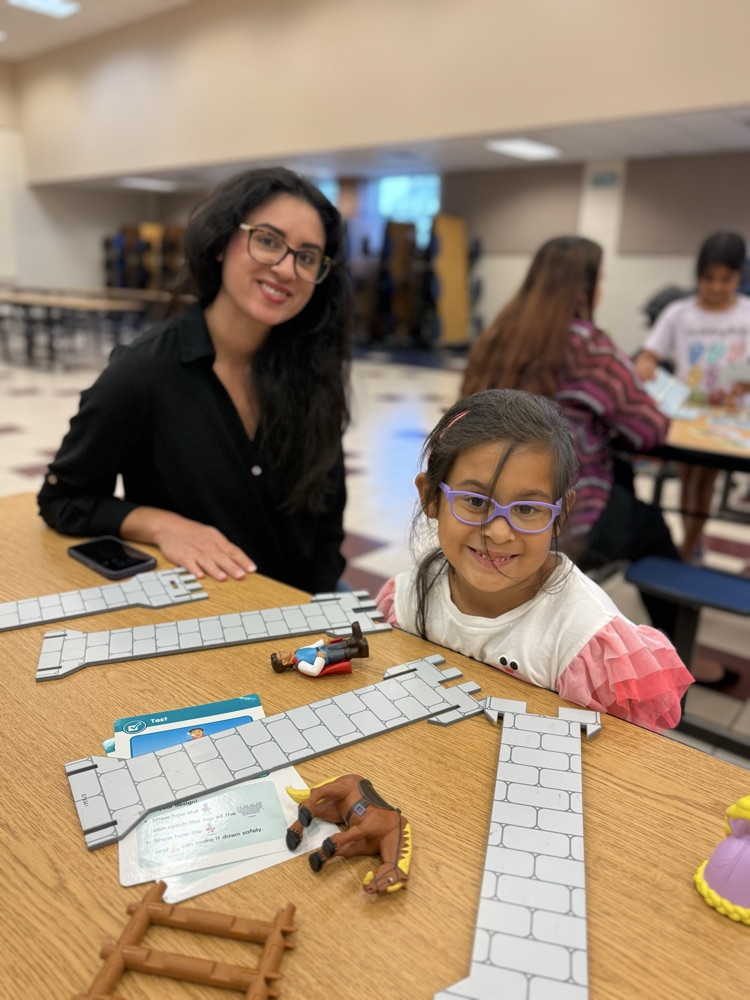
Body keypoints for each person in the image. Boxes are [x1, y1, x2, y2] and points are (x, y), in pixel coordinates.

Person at [38, 167, 353, 593]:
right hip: (206, 610)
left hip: (307, 606)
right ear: (222, 242)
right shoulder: (144, 372)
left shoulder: (312, 369)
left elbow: (326, 519)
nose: (285, 268)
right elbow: (63, 500)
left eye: (307, 256)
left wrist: (318, 608)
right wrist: (162, 525)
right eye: (267, 240)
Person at [375, 390, 693, 732]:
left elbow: (616, 764)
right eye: (475, 502)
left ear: (560, 515)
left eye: (527, 509)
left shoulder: (585, 640)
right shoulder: (408, 596)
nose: (497, 532)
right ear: (430, 497)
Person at [460, 235, 682, 647]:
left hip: (483, 506)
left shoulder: (496, 336)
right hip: (561, 514)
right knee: (655, 531)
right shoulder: (589, 347)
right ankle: (675, 652)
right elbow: (650, 429)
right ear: (585, 287)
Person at [635, 231, 750, 563]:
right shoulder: (678, 312)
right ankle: (690, 542)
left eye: (725, 279)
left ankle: (689, 546)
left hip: (728, 417)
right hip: (686, 412)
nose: (715, 286)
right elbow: (649, 354)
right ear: (697, 275)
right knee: (688, 480)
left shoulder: (745, 313)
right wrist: (646, 365)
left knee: (705, 479)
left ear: (738, 276)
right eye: (707, 278)